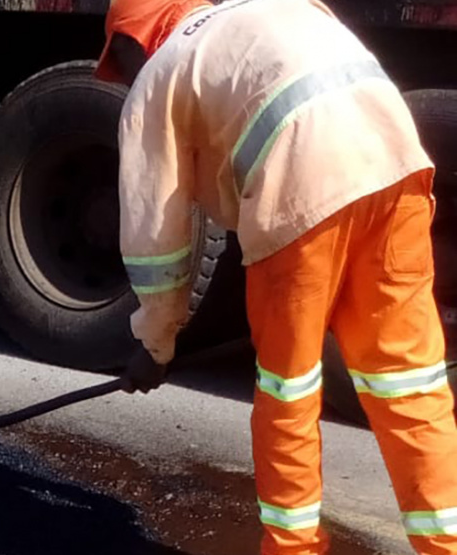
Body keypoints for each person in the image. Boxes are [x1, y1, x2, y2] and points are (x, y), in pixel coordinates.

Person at [99, 0, 457, 553]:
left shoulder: (159, 75)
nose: (124, 77)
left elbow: (156, 244)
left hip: (301, 191)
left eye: (120, 62)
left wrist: (155, 345)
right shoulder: (270, 7)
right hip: (398, 168)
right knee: (409, 382)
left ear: (134, 42)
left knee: (289, 390)